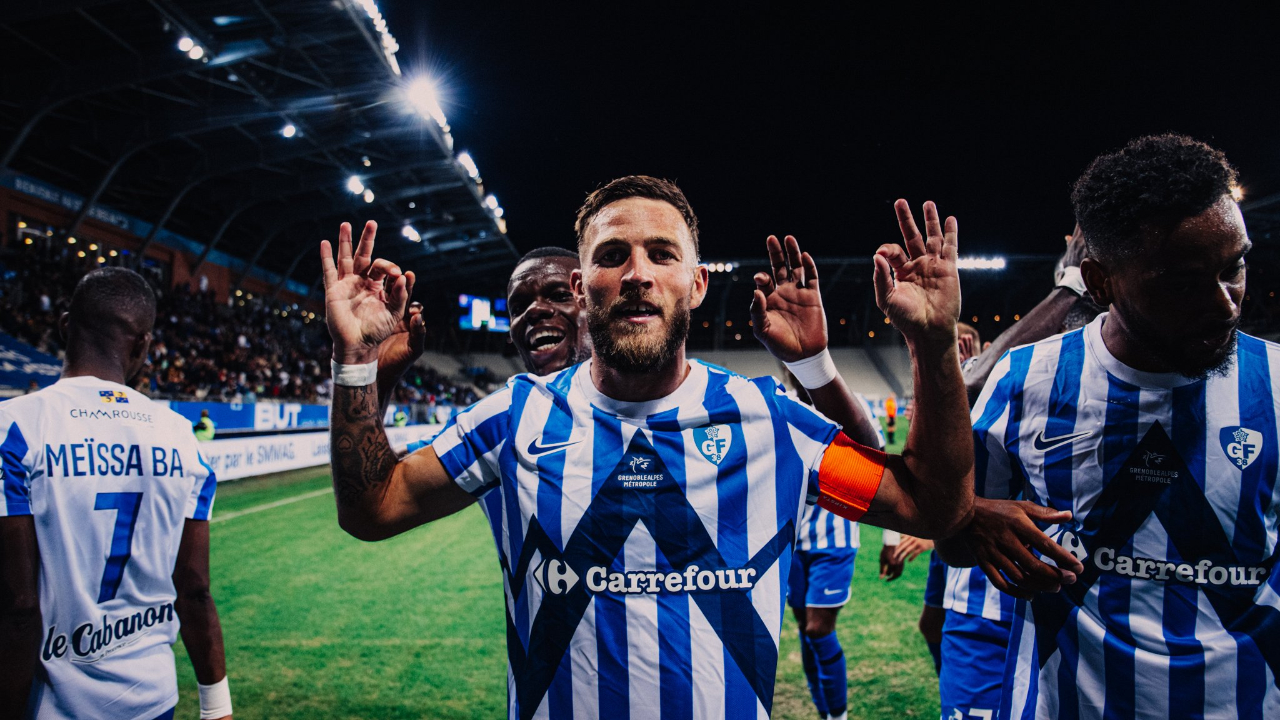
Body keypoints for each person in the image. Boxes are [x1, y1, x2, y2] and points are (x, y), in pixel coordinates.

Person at [321, 175, 995, 719]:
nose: (637, 272)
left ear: (696, 284)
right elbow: (373, 508)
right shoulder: (510, 419)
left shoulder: (771, 423)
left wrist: (932, 344)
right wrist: (355, 359)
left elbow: (933, 509)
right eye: (613, 255)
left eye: (662, 254)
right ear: (583, 291)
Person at [940, 133, 1277, 719]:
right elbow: (953, 540)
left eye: (1235, 267)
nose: (1225, 304)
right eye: (1181, 281)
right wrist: (971, 517)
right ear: (1099, 283)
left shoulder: (1275, 385)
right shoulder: (1028, 380)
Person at [0, 267, 231, 720]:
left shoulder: (16, 427)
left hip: (57, 707)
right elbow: (196, 590)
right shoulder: (183, 439)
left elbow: (19, 606)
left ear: (65, 326)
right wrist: (216, 708)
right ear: (144, 345)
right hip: (153, 699)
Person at [780, 369, 885, 720]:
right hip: (793, 543)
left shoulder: (850, 406)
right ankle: (824, 711)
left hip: (835, 541)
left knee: (818, 628)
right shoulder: (783, 407)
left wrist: (891, 538)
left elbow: (883, 466)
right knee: (804, 631)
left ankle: (837, 715)